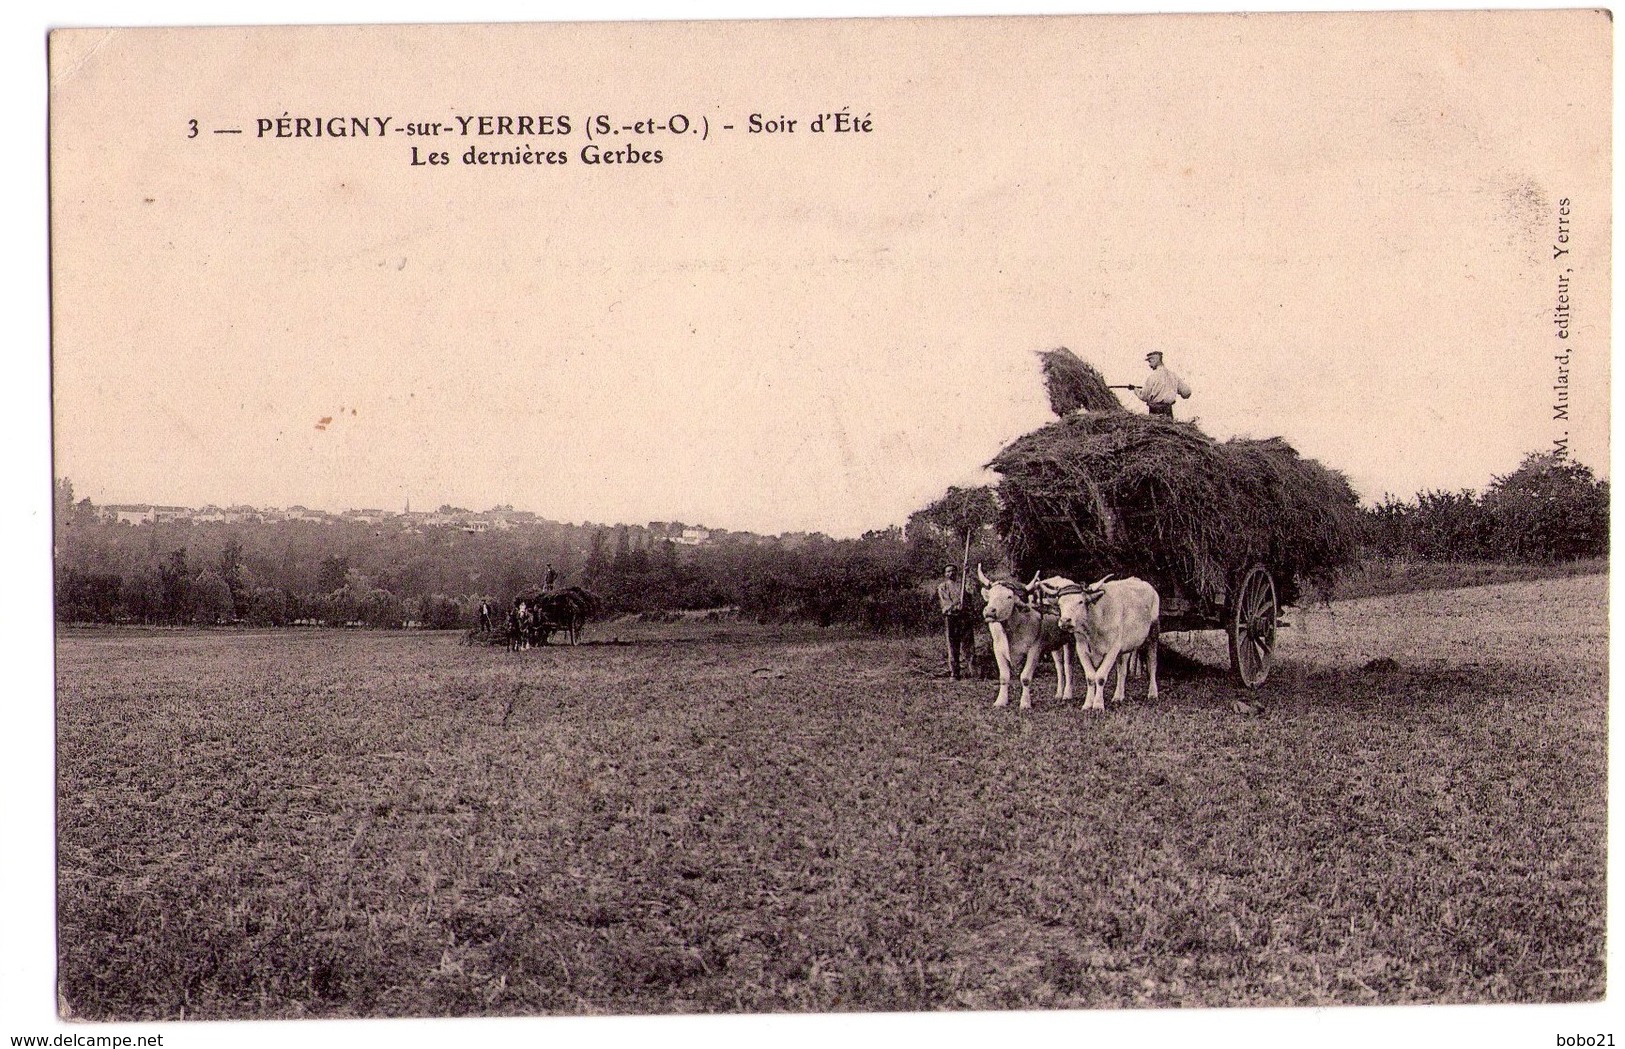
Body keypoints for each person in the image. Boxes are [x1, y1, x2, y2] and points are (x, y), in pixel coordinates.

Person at [937, 564, 975, 680]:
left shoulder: (963, 584)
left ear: (957, 572)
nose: (951, 573)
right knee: (953, 645)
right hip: (951, 617)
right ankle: (955, 673)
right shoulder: (942, 587)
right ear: (945, 574)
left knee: (968, 644)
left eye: (953, 571)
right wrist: (955, 607)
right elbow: (945, 602)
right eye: (948, 571)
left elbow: (972, 590)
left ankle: (973, 672)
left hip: (965, 617)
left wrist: (967, 575)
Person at [1134, 350, 1192, 417]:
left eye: (1150, 362)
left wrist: (1136, 390)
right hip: (1168, 413)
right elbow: (1187, 393)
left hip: (1155, 413)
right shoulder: (1173, 376)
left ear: (1155, 360)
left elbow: (1144, 396)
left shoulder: (1152, 377)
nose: (1149, 365)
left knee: (1155, 427)